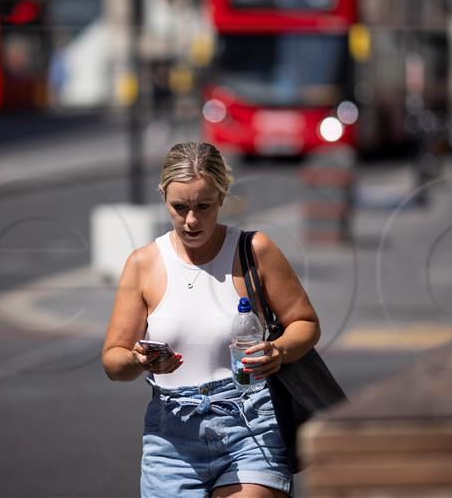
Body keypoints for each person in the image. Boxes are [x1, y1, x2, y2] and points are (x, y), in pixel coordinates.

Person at [102, 142, 321, 497]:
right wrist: (137, 360)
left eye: (203, 206)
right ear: (163, 197)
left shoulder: (254, 250)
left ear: (222, 196)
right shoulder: (143, 264)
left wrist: (277, 352)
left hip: (249, 423)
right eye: (180, 207)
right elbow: (113, 360)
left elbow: (305, 323)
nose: (191, 220)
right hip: (171, 435)